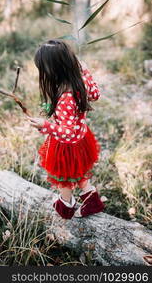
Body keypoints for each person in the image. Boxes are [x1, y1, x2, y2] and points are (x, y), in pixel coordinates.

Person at [28, 39, 105, 219]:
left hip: (67, 145)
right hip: (81, 138)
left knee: (64, 176)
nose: (43, 73)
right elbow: (95, 94)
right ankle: (91, 198)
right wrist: (85, 71)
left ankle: (66, 205)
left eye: (44, 69)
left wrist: (45, 125)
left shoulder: (65, 97)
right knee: (77, 171)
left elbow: (67, 133)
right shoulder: (78, 80)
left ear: (55, 69)